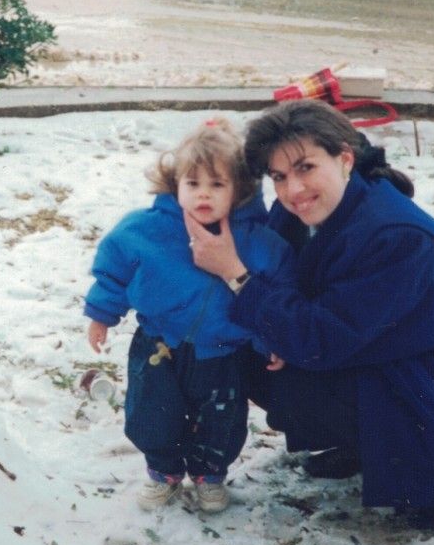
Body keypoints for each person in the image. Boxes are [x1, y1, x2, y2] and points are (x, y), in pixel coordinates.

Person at [185, 100, 434, 529]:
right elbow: (286, 288)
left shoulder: (394, 235)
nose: (293, 190)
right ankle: (375, 448)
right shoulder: (308, 209)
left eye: (306, 168)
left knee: (292, 369)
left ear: (344, 158)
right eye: (279, 176)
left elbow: (318, 340)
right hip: (409, 359)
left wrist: (235, 274)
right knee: (257, 355)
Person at [85, 119, 292, 514]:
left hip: (224, 350)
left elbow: (277, 290)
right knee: (152, 412)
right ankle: (162, 470)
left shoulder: (259, 242)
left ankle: (209, 474)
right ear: (175, 183)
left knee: (222, 418)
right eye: (193, 183)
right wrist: (101, 314)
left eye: (217, 184)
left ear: (239, 189)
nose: (203, 194)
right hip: (158, 342)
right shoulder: (145, 230)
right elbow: (114, 270)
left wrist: (271, 339)